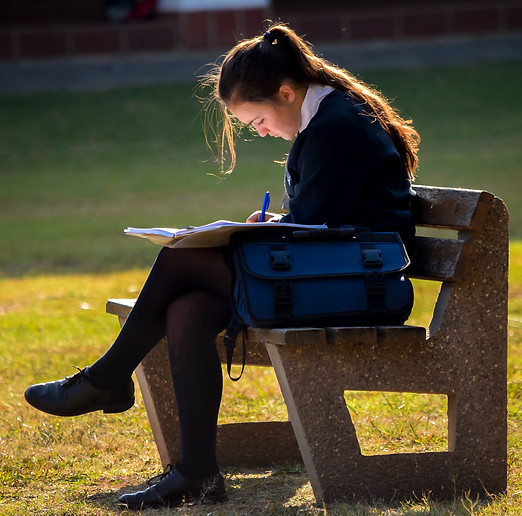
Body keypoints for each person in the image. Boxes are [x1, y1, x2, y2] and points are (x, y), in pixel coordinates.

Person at [24, 22, 420, 510]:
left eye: (257, 122)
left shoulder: (338, 124)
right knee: (187, 308)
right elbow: (322, 217)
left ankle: (105, 380)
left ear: (285, 91)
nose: (262, 132)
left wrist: (273, 228)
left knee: (178, 258)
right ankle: (196, 473)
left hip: (361, 285)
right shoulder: (329, 116)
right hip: (336, 271)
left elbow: (320, 226)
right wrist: (274, 223)